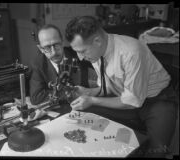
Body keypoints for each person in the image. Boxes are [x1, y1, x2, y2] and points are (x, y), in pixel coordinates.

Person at [65, 16, 177, 157]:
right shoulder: (95, 52)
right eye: (76, 51)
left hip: (157, 100)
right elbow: (109, 88)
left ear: (97, 41)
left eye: (82, 51)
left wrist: (92, 100)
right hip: (125, 97)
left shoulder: (131, 52)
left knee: (156, 152)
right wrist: (88, 92)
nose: (80, 57)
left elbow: (132, 101)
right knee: (90, 120)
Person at [29, 24, 89, 105]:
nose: (54, 52)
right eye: (47, 47)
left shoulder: (77, 55)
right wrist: (68, 93)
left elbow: (85, 89)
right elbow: (36, 97)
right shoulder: (37, 64)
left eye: (56, 45)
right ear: (41, 48)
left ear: (63, 42)